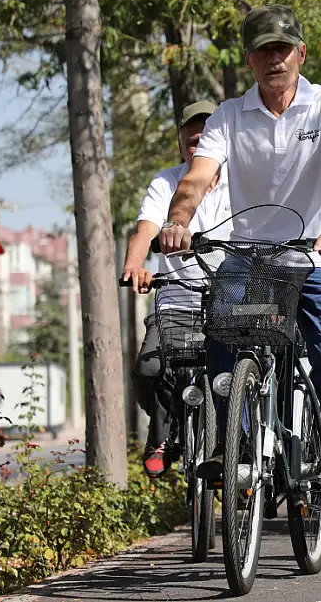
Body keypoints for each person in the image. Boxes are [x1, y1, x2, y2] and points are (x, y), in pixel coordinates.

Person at [157, 4, 321, 514]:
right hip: (251, 257)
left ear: (300, 52)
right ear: (250, 60)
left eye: (283, 49)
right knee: (222, 347)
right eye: (263, 51)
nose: (275, 59)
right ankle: (239, 449)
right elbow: (196, 176)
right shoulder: (229, 116)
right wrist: (179, 220)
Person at [120, 99, 232, 476]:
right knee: (150, 370)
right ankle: (162, 432)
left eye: (207, 134)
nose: (198, 142)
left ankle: (245, 446)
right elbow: (145, 230)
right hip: (176, 301)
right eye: (191, 135)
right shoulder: (166, 182)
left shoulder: (241, 181)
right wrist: (135, 264)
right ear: (181, 141)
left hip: (230, 302)